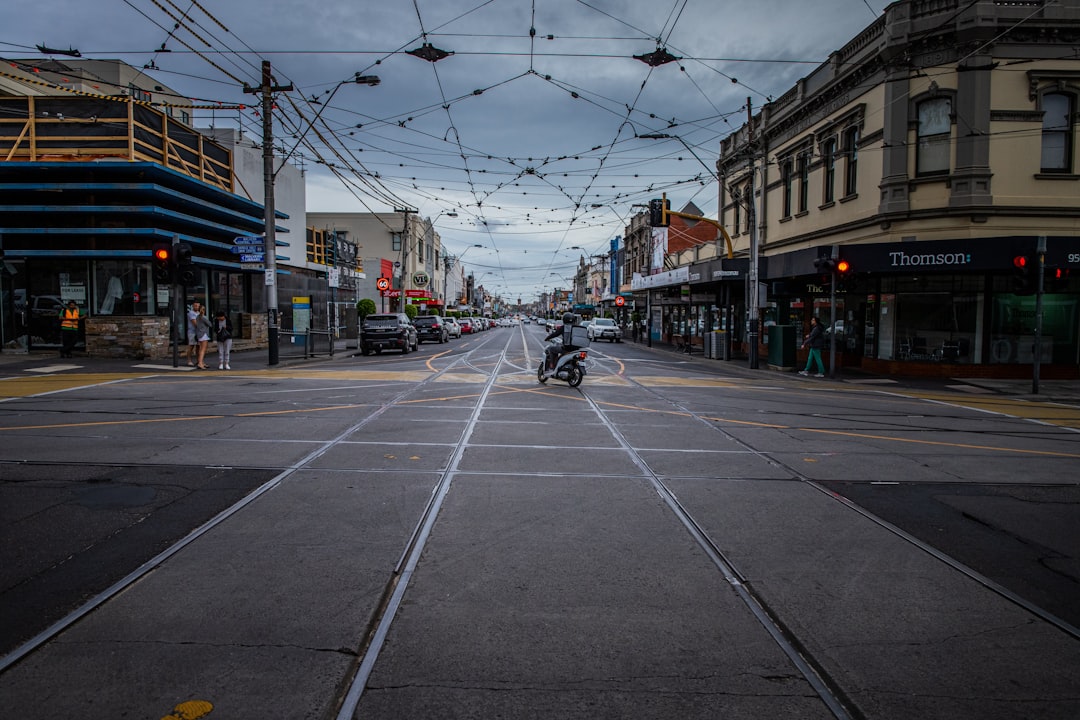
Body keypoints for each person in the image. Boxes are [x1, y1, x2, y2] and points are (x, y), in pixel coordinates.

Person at [194, 304, 212, 370]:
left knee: (201, 348)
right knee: (203, 349)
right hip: (204, 334)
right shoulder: (203, 317)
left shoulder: (197, 317)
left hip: (199, 333)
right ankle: (200, 363)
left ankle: (201, 361)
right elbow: (210, 324)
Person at [186, 302, 200, 366]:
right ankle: (189, 360)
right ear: (193, 306)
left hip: (198, 332)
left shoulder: (199, 313)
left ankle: (198, 361)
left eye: (198, 306)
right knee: (191, 346)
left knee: (198, 347)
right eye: (195, 306)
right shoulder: (191, 313)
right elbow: (195, 323)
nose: (197, 307)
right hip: (192, 332)